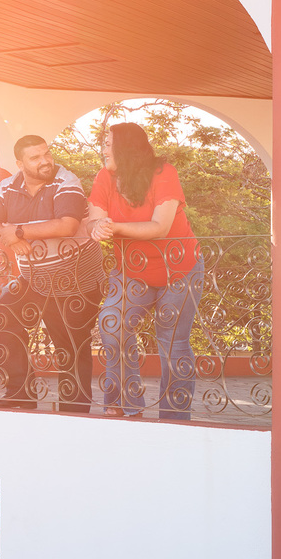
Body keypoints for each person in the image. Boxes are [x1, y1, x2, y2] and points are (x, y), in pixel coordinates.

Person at [0, 134, 103, 412]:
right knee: (3, 315)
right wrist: (8, 235)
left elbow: (67, 225)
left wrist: (19, 231)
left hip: (75, 278)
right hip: (34, 277)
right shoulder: (8, 187)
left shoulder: (66, 182)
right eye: (35, 157)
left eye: (46, 154)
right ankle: (20, 393)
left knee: (69, 340)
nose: (45, 161)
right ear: (21, 163)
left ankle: (74, 408)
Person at [88, 122, 204, 420]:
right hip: (132, 272)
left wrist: (114, 228)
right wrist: (98, 226)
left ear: (126, 148)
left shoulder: (164, 173)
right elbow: (95, 220)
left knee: (172, 341)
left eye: (108, 143)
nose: (103, 149)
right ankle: (127, 404)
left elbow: (160, 227)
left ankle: (174, 417)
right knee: (112, 327)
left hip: (180, 270)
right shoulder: (105, 177)